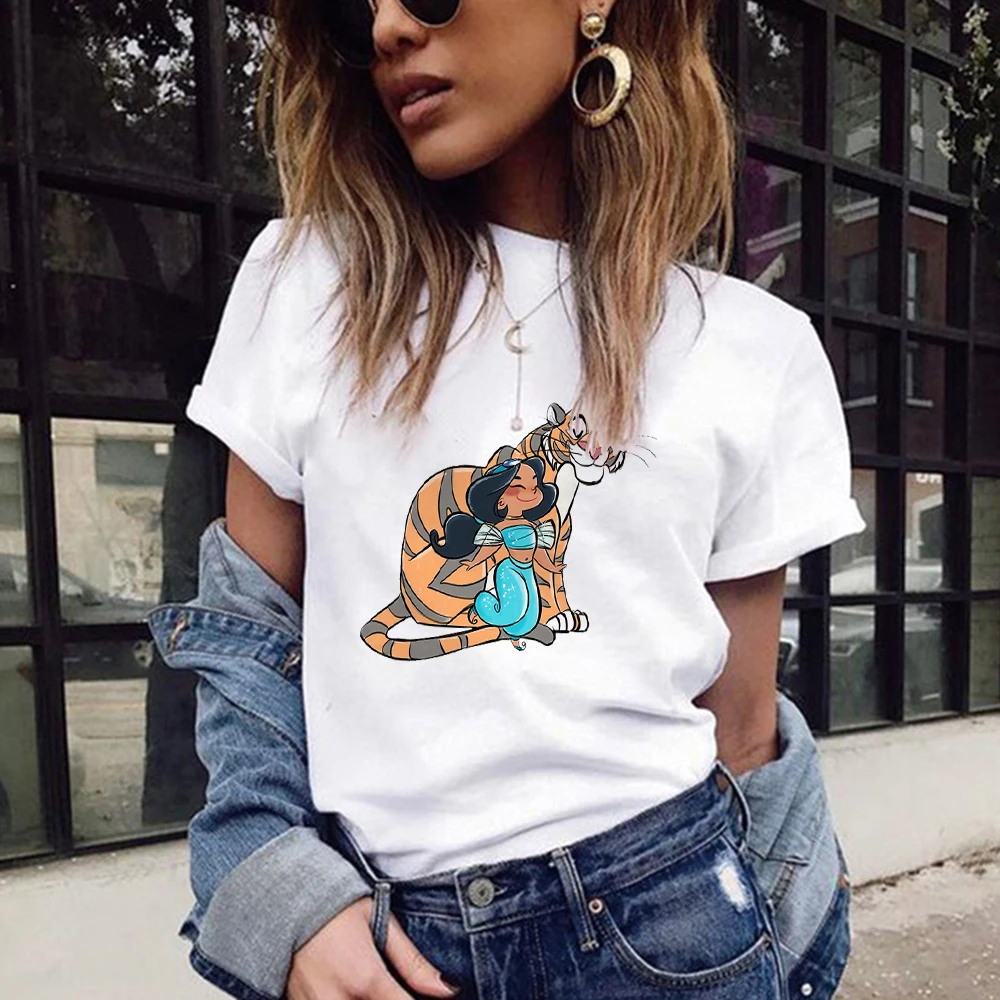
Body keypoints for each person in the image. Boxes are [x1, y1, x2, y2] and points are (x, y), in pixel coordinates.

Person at [147, 1, 866, 998]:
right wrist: (282, 895)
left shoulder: (754, 347)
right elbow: (248, 639)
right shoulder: (307, 280)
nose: (390, 28)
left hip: (674, 923)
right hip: (388, 941)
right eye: (360, 9)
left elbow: (742, 732)